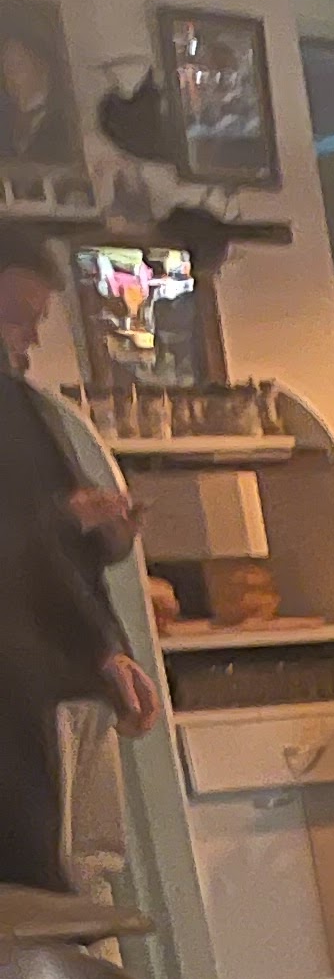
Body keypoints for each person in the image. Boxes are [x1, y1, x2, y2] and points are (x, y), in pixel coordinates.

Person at [0, 218, 160, 894]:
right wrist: (104, 650)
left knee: (72, 883)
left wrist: (105, 538)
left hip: (50, 683)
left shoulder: (26, 407)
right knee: (46, 889)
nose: (30, 337)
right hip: (21, 687)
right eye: (17, 316)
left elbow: (49, 548)